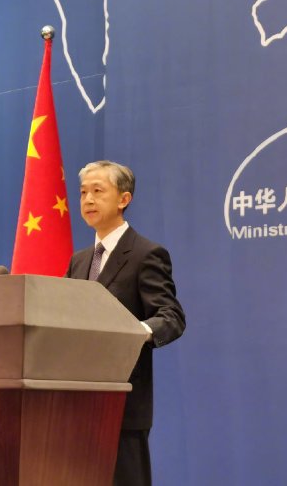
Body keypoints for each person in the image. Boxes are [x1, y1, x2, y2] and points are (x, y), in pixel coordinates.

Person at [66, 160, 186, 486]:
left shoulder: (146, 254)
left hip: (122, 402)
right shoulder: (78, 260)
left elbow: (171, 317)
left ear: (124, 199)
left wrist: (134, 332)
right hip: (74, 401)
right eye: (83, 193)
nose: (88, 200)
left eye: (98, 191)